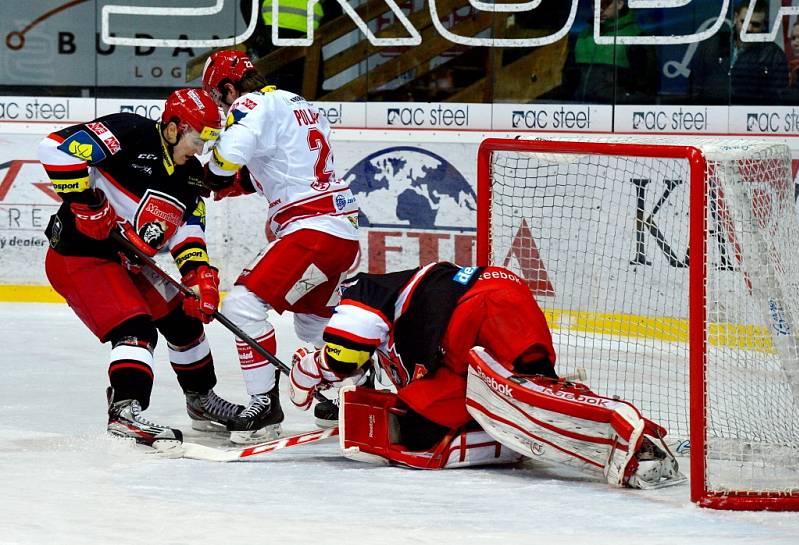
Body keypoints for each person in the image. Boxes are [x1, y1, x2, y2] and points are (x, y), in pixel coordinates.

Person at [288, 263, 684, 488]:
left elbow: (343, 353)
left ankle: (627, 427)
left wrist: (310, 370)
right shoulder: (393, 337)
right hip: (474, 327)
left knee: (520, 398)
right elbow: (371, 370)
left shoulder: (362, 287)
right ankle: (621, 442)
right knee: (425, 432)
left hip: (476, 311)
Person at [38, 88, 244, 449]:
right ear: (173, 128)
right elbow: (54, 148)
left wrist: (199, 276)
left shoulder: (191, 177)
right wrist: (87, 203)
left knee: (184, 322)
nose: (202, 149)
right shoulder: (128, 132)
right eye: (198, 138)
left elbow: (187, 232)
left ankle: (201, 400)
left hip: (128, 262)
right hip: (79, 256)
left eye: (210, 140)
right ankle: (125, 410)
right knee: (136, 329)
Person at [201, 50, 361, 443]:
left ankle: (264, 406)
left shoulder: (250, 103)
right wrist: (238, 184)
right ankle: (350, 394)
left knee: (241, 306)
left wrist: (205, 176)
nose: (222, 109)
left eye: (218, 97)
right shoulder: (298, 103)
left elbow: (227, 159)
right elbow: (286, 168)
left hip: (312, 231)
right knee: (314, 321)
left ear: (227, 87)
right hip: (343, 230)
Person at [690, 0, 788, 105]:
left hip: (751, 118)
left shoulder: (773, 55)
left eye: (755, 24)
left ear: (764, 25)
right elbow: (694, 86)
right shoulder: (711, 45)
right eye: (744, 22)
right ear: (735, 18)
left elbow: (778, 101)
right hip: (708, 114)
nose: (749, 28)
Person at [566, 0, 658, 103]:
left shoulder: (636, 37)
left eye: (605, 4)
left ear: (619, 3)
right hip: (579, 112)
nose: (599, 9)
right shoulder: (583, 36)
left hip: (619, 114)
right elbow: (569, 80)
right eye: (594, 3)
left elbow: (646, 90)